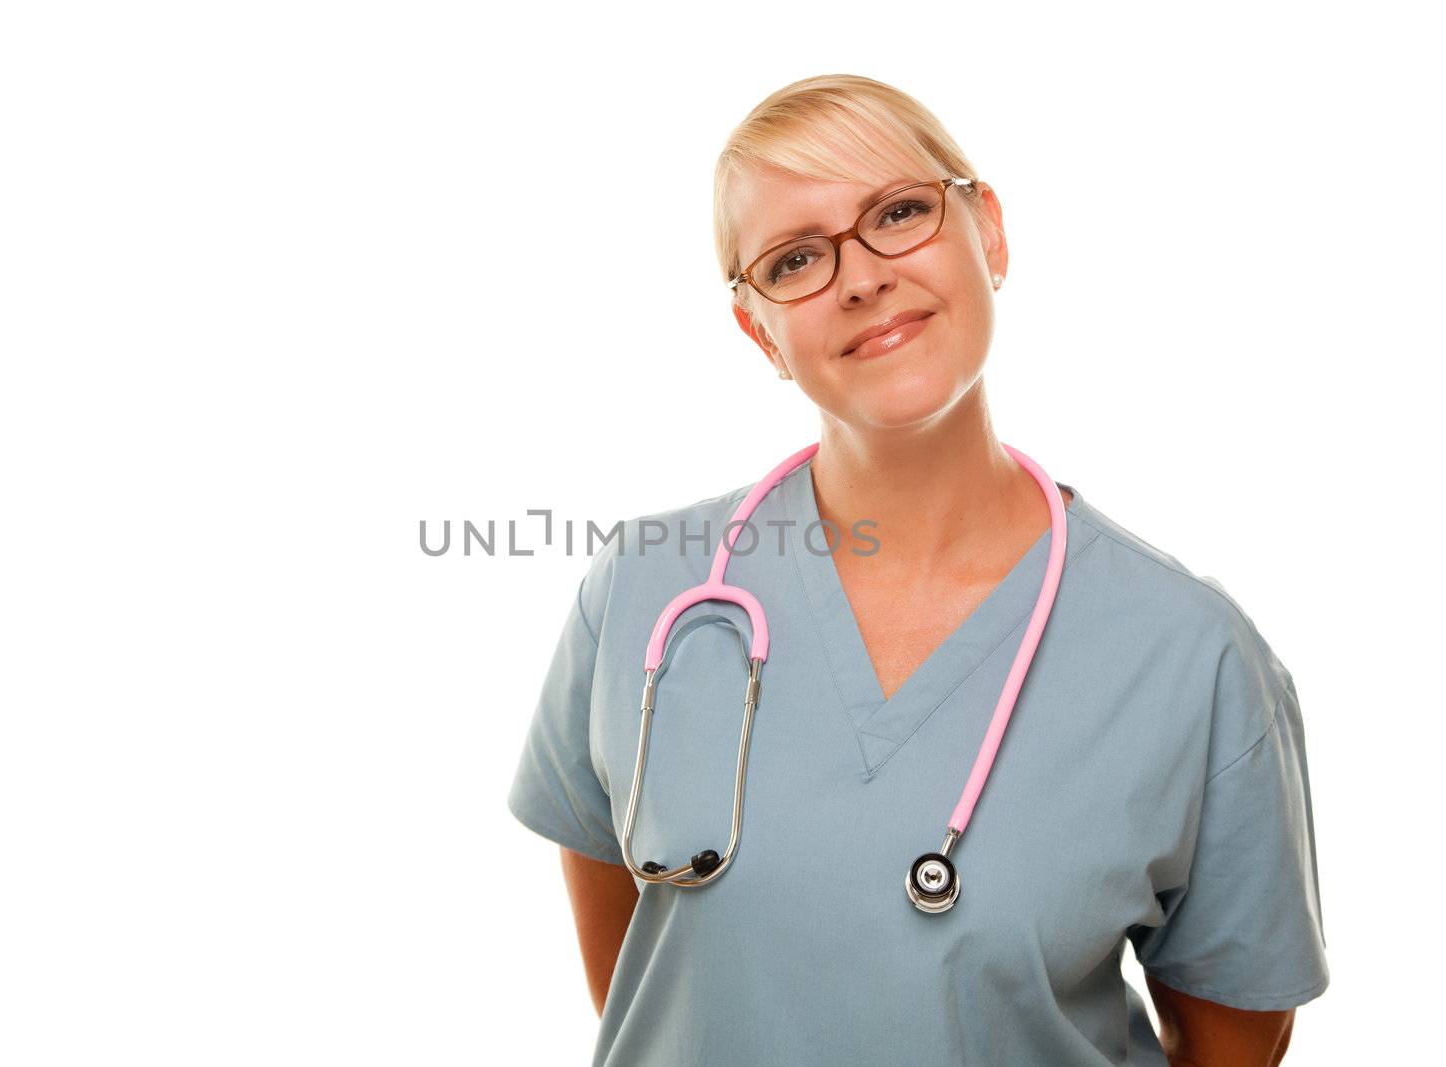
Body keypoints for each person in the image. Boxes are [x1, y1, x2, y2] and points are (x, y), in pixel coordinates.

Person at [506, 73, 1328, 1066]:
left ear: (988, 233)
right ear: (757, 328)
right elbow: (651, 989)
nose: (858, 277)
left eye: (898, 213)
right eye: (795, 258)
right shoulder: (641, 595)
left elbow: (1232, 1043)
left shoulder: (1191, 657)